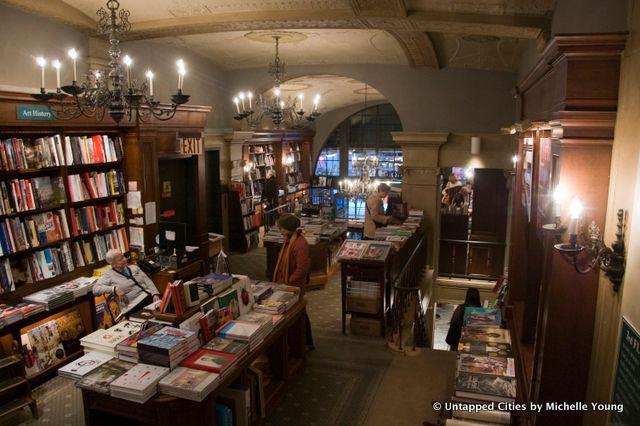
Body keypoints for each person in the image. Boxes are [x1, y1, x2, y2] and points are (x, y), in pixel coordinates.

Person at [272, 213, 314, 349]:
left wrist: (289, 281)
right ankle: (303, 342)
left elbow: (302, 268)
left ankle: (305, 343)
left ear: (289, 228)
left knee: (298, 313)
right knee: (298, 313)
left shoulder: (299, 243)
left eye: (282, 228)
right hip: (287, 284)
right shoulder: (290, 240)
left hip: (293, 286)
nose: (280, 231)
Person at [93, 249, 161, 315]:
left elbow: (147, 281)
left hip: (150, 298)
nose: (125, 259)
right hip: (133, 306)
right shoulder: (109, 275)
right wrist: (114, 289)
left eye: (123, 256)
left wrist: (155, 293)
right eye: (121, 259)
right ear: (113, 264)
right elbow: (95, 289)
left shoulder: (134, 268)